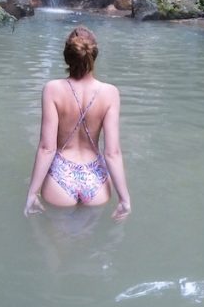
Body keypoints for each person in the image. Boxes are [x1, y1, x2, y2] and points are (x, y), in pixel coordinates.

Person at [24, 26, 131, 222]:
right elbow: (112, 153)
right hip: (95, 179)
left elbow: (47, 148)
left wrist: (32, 193)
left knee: (57, 243)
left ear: (67, 56)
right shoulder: (110, 93)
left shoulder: (52, 89)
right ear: (94, 54)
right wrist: (124, 199)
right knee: (89, 240)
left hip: (60, 177)